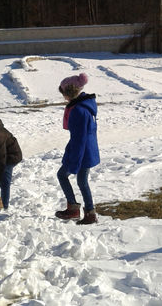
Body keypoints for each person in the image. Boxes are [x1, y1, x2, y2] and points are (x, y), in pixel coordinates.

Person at [56, 72, 100, 225]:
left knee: (63, 175)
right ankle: (88, 212)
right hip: (86, 150)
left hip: (81, 152)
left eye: (64, 94)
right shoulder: (85, 104)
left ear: (69, 92)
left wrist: (74, 162)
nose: (64, 97)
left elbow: (79, 139)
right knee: (82, 181)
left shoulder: (78, 111)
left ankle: (78, 210)